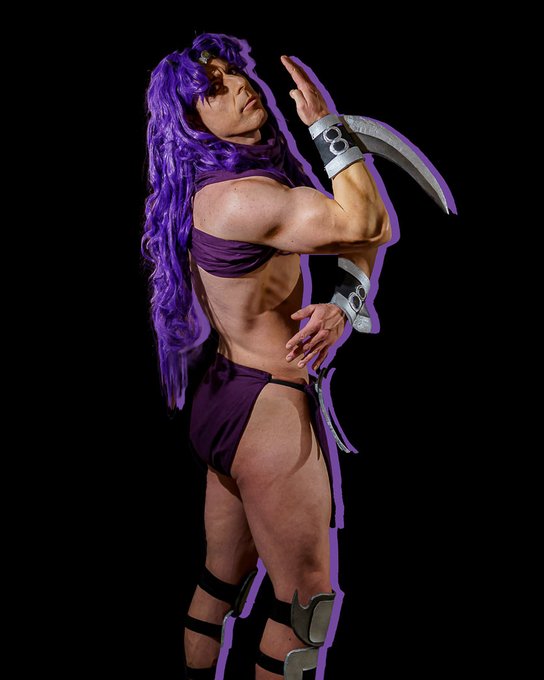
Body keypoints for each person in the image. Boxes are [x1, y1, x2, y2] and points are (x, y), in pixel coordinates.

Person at [142, 33, 391, 680]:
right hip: (267, 415)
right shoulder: (243, 199)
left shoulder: (224, 180)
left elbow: (349, 231)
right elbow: (370, 224)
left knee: (219, 582)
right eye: (213, 90)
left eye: (232, 72)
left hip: (225, 397)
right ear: (193, 121)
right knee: (305, 608)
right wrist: (326, 126)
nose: (238, 86)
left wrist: (342, 301)